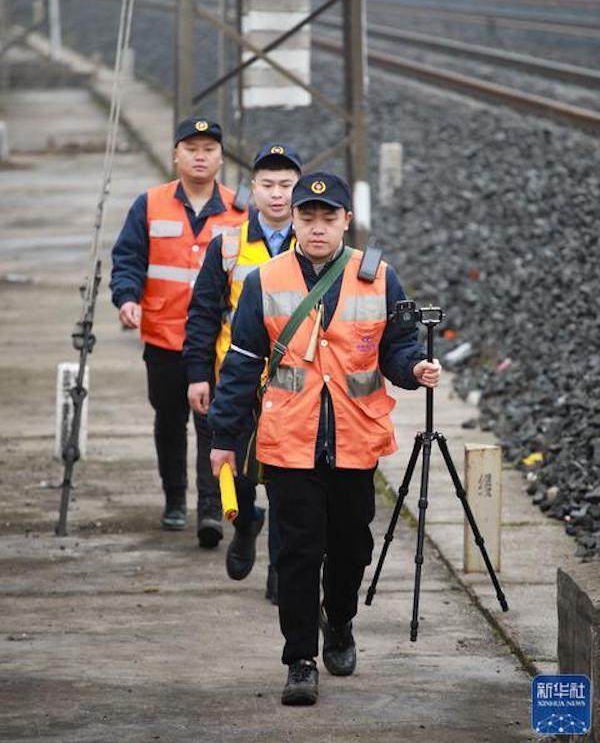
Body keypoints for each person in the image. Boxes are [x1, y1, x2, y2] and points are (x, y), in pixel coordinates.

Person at [207, 172, 441, 706]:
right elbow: (241, 364)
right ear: (293, 219)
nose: (317, 228)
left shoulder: (379, 277)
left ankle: (339, 622)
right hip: (289, 440)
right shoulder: (265, 280)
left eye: (327, 218)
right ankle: (299, 660)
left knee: (351, 547)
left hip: (356, 440)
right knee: (295, 552)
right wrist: (224, 435)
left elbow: (396, 348)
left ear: (346, 221)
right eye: (307, 217)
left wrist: (415, 370)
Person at [110, 116, 247, 546]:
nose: (200, 156)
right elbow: (128, 259)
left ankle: (211, 509)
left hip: (218, 342)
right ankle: (174, 500)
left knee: (215, 424)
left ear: (221, 158)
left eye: (209, 149)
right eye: (192, 148)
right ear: (176, 155)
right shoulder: (149, 205)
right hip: (165, 337)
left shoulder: (242, 211)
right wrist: (127, 298)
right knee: (169, 421)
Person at [184, 144, 302, 604]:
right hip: (238, 380)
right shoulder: (228, 245)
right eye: (268, 185)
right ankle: (246, 521)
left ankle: (280, 570)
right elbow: (202, 314)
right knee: (243, 474)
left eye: (287, 186)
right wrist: (199, 374)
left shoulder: (312, 243)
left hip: (294, 387)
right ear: (251, 190)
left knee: (288, 484)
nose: (277, 196)